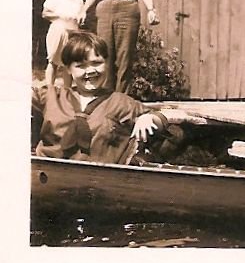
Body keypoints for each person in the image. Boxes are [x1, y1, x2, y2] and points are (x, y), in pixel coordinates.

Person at [32, 32, 169, 164]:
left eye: (97, 63)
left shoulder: (119, 102)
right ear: (68, 69)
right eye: (81, 66)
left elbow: (162, 120)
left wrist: (149, 118)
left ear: (106, 63)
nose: (90, 71)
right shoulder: (51, 96)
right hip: (48, 175)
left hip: (99, 180)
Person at [78, 0, 159, 94]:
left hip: (128, 6)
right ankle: (105, 99)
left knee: (125, 57)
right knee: (103, 55)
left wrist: (150, 9)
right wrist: (84, 10)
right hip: (104, 5)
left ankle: (121, 100)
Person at [42, 0, 84, 87]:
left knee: (69, 63)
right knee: (53, 61)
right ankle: (50, 89)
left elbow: (81, 16)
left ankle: (67, 91)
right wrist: (60, 16)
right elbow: (45, 13)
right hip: (58, 29)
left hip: (73, 32)